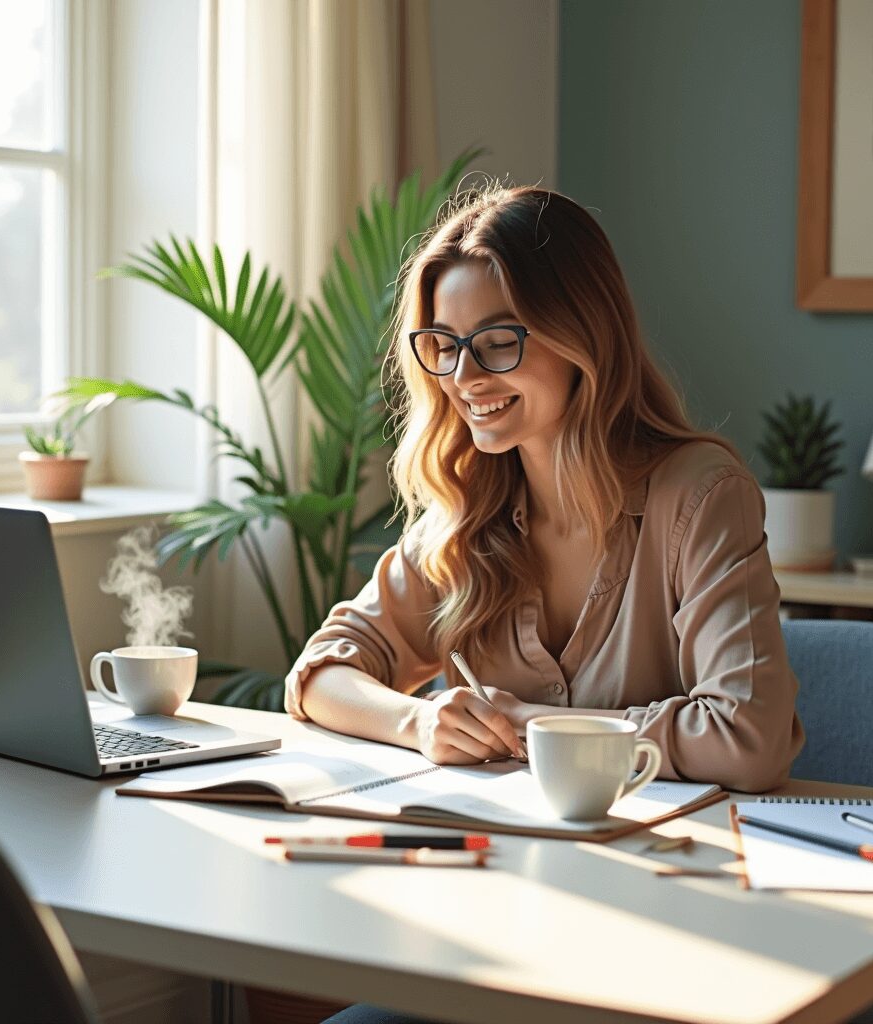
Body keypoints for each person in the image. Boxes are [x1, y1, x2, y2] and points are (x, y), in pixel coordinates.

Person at [292, 181, 805, 1024]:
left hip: (682, 938)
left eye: (496, 343)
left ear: (582, 336)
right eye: (442, 345)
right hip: (500, 931)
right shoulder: (464, 514)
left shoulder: (699, 496)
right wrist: (418, 723)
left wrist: (530, 727)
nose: (463, 377)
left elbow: (747, 739)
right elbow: (323, 671)